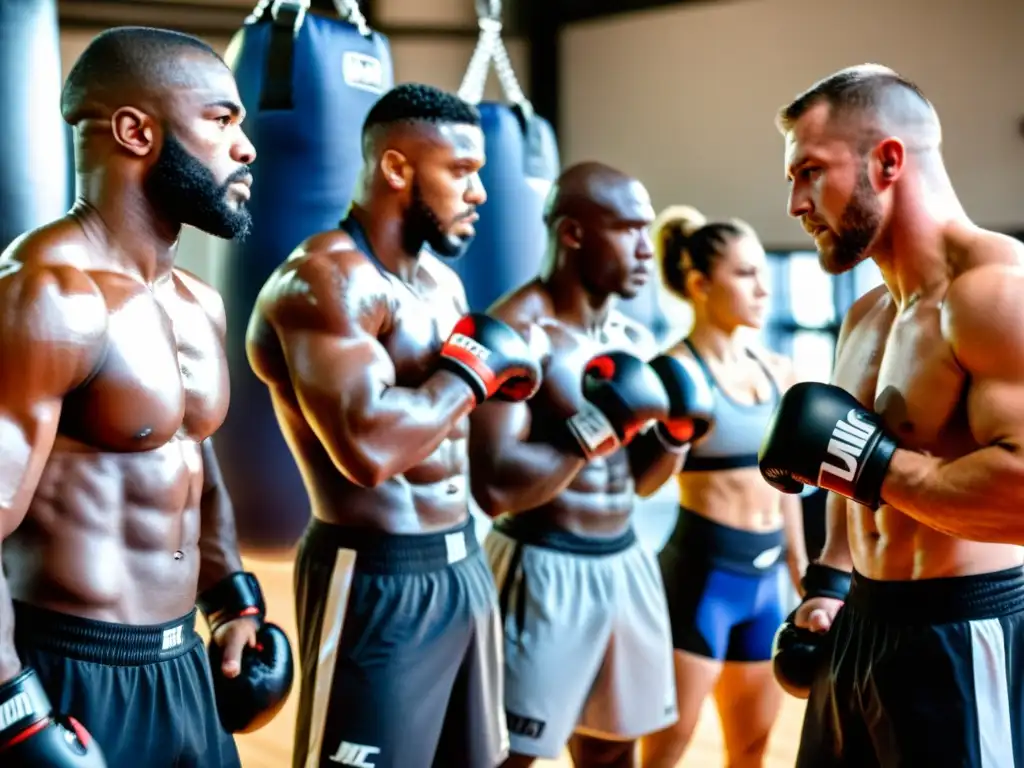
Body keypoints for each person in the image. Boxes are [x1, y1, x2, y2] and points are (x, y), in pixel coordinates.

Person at [0, 26, 293, 767]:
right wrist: (12, 706)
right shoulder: (46, 297)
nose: (246, 146)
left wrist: (233, 597)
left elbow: (195, 457)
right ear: (135, 131)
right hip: (70, 674)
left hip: (184, 668)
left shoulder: (198, 302)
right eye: (223, 121)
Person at [247, 82, 541, 768]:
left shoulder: (444, 286)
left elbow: (461, 425)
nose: (480, 193)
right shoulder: (326, 279)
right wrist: (472, 373)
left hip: (464, 561)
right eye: (461, 172)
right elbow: (370, 450)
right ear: (397, 168)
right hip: (375, 573)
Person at [759, 63, 1024, 767]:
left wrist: (871, 464)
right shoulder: (865, 314)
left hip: (964, 631)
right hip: (864, 625)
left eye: (809, 171)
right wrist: (827, 585)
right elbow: (849, 481)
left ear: (887, 161)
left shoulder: (998, 293)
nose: (794, 202)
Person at [469, 161, 715, 768]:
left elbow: (636, 482)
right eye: (628, 229)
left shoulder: (631, 337)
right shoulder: (520, 331)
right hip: (541, 564)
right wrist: (596, 428)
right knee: (508, 754)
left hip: (625, 562)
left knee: (611, 751)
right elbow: (496, 487)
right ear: (574, 233)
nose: (643, 249)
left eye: (646, 229)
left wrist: (676, 436)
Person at [639, 206, 808, 768]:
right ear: (699, 284)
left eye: (763, 272)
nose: (763, 288)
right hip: (699, 582)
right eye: (745, 274)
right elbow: (644, 484)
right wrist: (672, 434)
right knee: (667, 750)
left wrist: (801, 572)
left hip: (766, 585)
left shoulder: (777, 369)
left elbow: (787, 486)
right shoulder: (672, 371)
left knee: (752, 751)